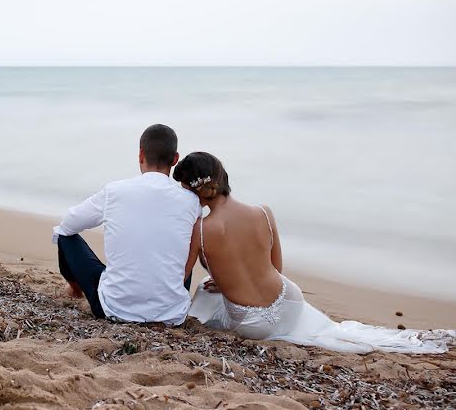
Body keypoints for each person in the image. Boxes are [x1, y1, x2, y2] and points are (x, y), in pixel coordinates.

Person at [176, 151, 454, 354]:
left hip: (253, 324)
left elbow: (183, 274)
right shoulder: (263, 212)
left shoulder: (201, 229)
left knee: (203, 290)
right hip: (289, 301)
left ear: (193, 192)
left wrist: (226, 283)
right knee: (339, 331)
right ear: (223, 177)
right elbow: (276, 268)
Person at [52, 124, 200, 324]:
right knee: (185, 239)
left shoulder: (115, 192)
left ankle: (75, 289)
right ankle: (166, 296)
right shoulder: (191, 201)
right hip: (173, 314)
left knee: (64, 235)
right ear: (175, 159)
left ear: (140, 154)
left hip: (114, 308)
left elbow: (69, 224)